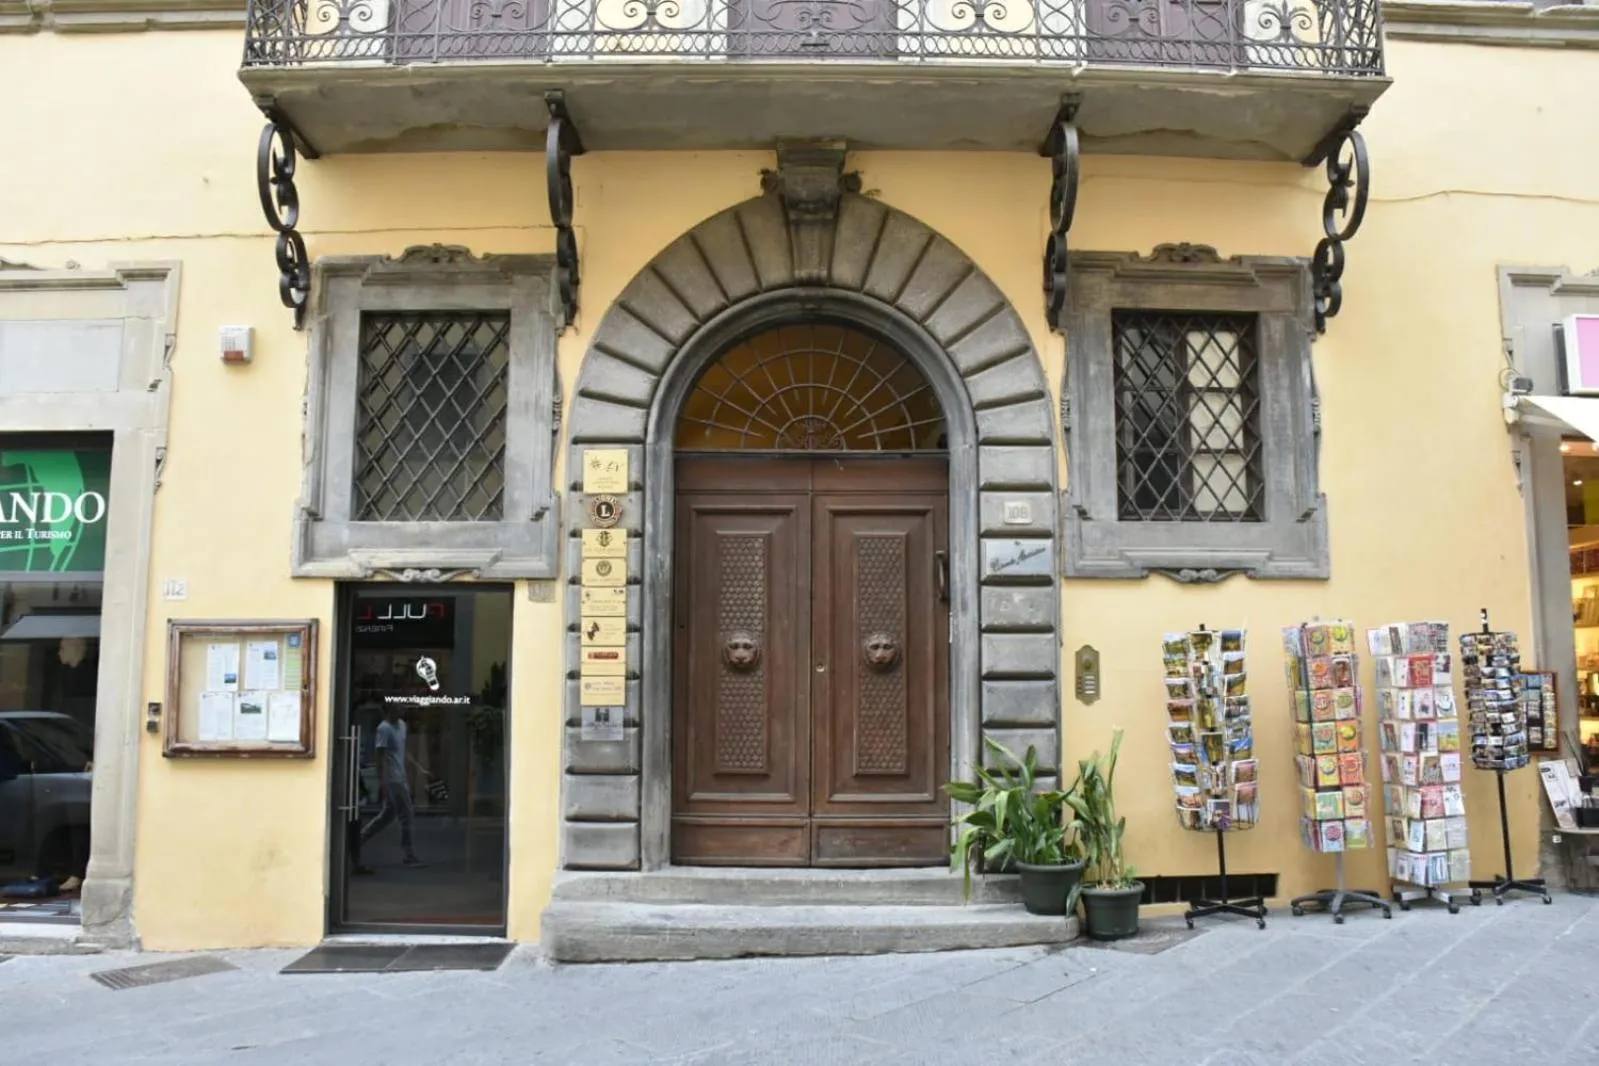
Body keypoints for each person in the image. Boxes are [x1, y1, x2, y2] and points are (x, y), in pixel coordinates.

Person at [359, 703, 424, 867]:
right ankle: (409, 854)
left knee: (386, 816)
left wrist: (419, 768)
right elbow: (380, 756)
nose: (402, 710)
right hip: (393, 779)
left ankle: (358, 839)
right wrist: (382, 781)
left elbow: (403, 751)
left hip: (401, 777)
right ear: (390, 710)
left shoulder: (402, 725)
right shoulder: (384, 729)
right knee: (407, 815)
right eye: (399, 708)